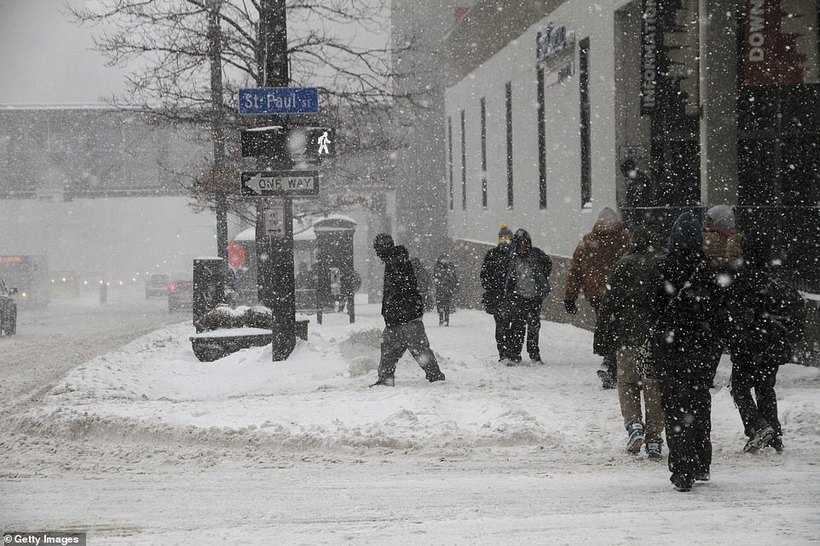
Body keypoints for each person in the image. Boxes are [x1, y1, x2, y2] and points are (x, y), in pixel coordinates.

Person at [651, 212, 720, 492]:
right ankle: (702, 461)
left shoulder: (664, 269)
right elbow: (718, 312)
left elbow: (653, 307)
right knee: (700, 405)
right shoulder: (709, 271)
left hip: (672, 350)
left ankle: (682, 469)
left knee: (676, 410)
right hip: (702, 351)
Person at [724, 229, 806, 454]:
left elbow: (734, 314)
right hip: (772, 344)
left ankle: (758, 426)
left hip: (748, 344)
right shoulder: (775, 279)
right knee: (765, 388)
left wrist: (734, 336)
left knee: (740, 389)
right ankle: (774, 434)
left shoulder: (741, 279)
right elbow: (796, 307)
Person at [595, 225, 665, 460]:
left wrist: (603, 336)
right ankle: (655, 438)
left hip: (628, 334)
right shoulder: (662, 264)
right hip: (656, 336)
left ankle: (634, 425)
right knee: (653, 385)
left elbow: (610, 302)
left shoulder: (625, 264)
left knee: (627, 382)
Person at [564, 207, 631, 388]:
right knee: (620, 325)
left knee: (605, 324)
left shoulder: (588, 241)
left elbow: (576, 270)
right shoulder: (625, 238)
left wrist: (570, 296)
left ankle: (610, 359)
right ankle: (617, 360)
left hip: (597, 292)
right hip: (620, 291)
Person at [370, 234, 446, 387]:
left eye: (378, 250)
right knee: (396, 350)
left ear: (383, 248)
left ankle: (435, 377)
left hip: (405, 316)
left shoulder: (397, 261)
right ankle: (386, 379)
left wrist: (396, 308)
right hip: (400, 317)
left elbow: (401, 290)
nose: (377, 254)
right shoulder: (395, 260)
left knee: (413, 349)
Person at [702, 204, 744, 386]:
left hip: (712, 292)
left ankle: (706, 373)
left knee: (711, 338)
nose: (706, 222)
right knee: (723, 338)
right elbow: (734, 262)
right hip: (728, 293)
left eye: (709, 219)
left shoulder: (707, 238)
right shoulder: (735, 238)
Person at [501, 229, 552, 364]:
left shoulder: (536, 255)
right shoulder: (512, 257)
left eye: (526, 244)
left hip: (534, 297)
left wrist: (542, 281)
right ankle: (514, 354)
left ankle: (534, 354)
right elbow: (505, 273)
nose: (524, 247)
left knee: (534, 326)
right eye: (521, 244)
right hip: (518, 296)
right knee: (518, 326)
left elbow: (547, 264)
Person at [481, 224, 514, 361]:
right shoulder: (493, 255)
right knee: (502, 325)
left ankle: (508, 352)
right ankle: (504, 352)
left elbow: (484, 275)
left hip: (509, 296)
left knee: (509, 325)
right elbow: (484, 275)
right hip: (498, 296)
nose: (505, 241)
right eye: (503, 238)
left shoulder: (512, 255)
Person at [620, 158, 654, 228]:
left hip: (641, 210)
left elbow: (644, 195)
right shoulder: (637, 180)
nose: (629, 175)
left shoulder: (641, 180)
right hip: (638, 211)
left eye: (629, 172)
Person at [433, 253, 459, 326]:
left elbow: (454, 277)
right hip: (443, 289)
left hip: (445, 289)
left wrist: (454, 285)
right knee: (442, 305)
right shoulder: (439, 268)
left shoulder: (447, 268)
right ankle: (442, 319)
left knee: (445, 305)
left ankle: (445, 320)